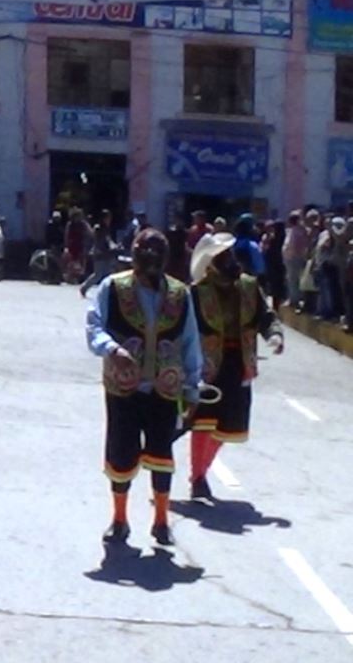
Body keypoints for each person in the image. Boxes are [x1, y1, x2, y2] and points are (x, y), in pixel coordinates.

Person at [86, 229, 202, 546]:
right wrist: (112, 349)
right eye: (144, 252)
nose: (149, 260)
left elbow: (190, 341)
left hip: (164, 388)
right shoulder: (113, 287)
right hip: (123, 388)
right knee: (121, 452)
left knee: (161, 454)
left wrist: (193, 388)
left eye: (155, 254)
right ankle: (120, 519)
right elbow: (94, 324)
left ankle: (161, 521)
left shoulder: (180, 295)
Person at [186, 233, 283, 501]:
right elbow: (183, 329)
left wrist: (274, 334)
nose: (228, 261)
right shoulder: (197, 293)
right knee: (203, 422)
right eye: (221, 257)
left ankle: (202, 469)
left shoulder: (250, 287)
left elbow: (265, 317)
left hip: (239, 364)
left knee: (228, 426)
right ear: (210, 264)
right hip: (207, 366)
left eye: (229, 255)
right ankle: (198, 477)